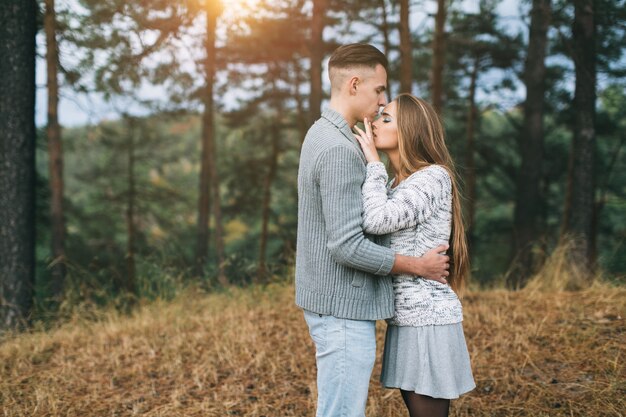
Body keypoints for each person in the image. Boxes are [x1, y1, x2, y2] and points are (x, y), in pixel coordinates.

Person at [295, 43, 451, 417]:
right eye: (379, 89)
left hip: (332, 301)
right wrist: (417, 266)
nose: (382, 101)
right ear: (354, 84)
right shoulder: (339, 149)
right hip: (341, 306)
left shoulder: (324, 134)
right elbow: (347, 245)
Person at [353, 93, 475, 417]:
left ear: (409, 131)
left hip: (427, 318)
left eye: (386, 119)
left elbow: (376, 220)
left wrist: (373, 165)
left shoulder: (431, 177)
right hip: (408, 317)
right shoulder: (398, 184)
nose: (375, 122)